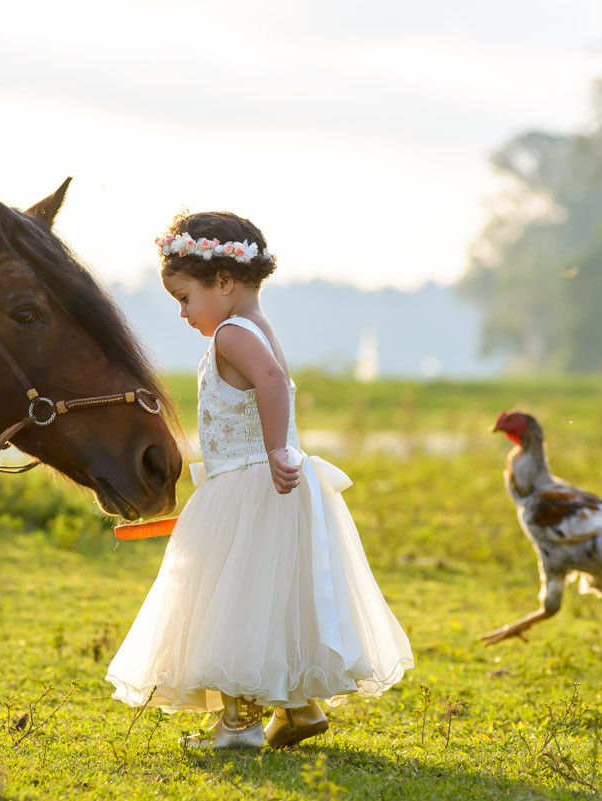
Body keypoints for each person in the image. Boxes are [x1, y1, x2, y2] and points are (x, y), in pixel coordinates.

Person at [106, 211, 414, 749]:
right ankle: (298, 710)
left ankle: (239, 724)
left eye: (184, 297)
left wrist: (275, 451)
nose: (182, 312)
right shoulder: (254, 327)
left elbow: (273, 382)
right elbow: (269, 383)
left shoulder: (231, 334)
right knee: (266, 599)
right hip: (262, 481)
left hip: (251, 480)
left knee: (235, 602)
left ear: (224, 282)